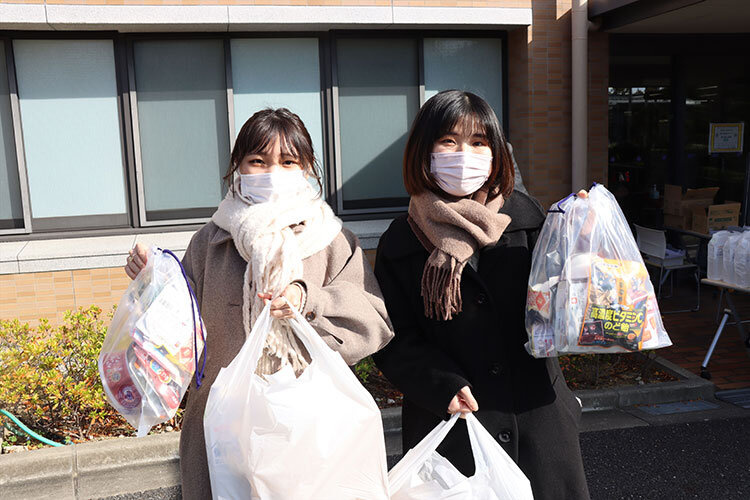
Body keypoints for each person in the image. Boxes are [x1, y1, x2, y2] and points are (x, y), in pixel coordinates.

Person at [124, 108, 393, 499]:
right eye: (258, 161)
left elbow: (372, 318)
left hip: (306, 422)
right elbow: (177, 327)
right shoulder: (209, 241)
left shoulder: (333, 240)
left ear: (307, 168)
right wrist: (153, 280)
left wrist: (308, 299)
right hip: (219, 422)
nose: (272, 172)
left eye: (288, 162)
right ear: (238, 167)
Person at [373, 90, 590, 499]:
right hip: (452, 425)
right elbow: (390, 335)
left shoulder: (531, 221)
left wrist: (580, 233)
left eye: (478, 142)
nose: (464, 154)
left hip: (539, 421)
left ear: (496, 153)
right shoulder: (401, 240)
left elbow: (566, 303)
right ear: (425, 151)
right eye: (449, 141)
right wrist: (441, 384)